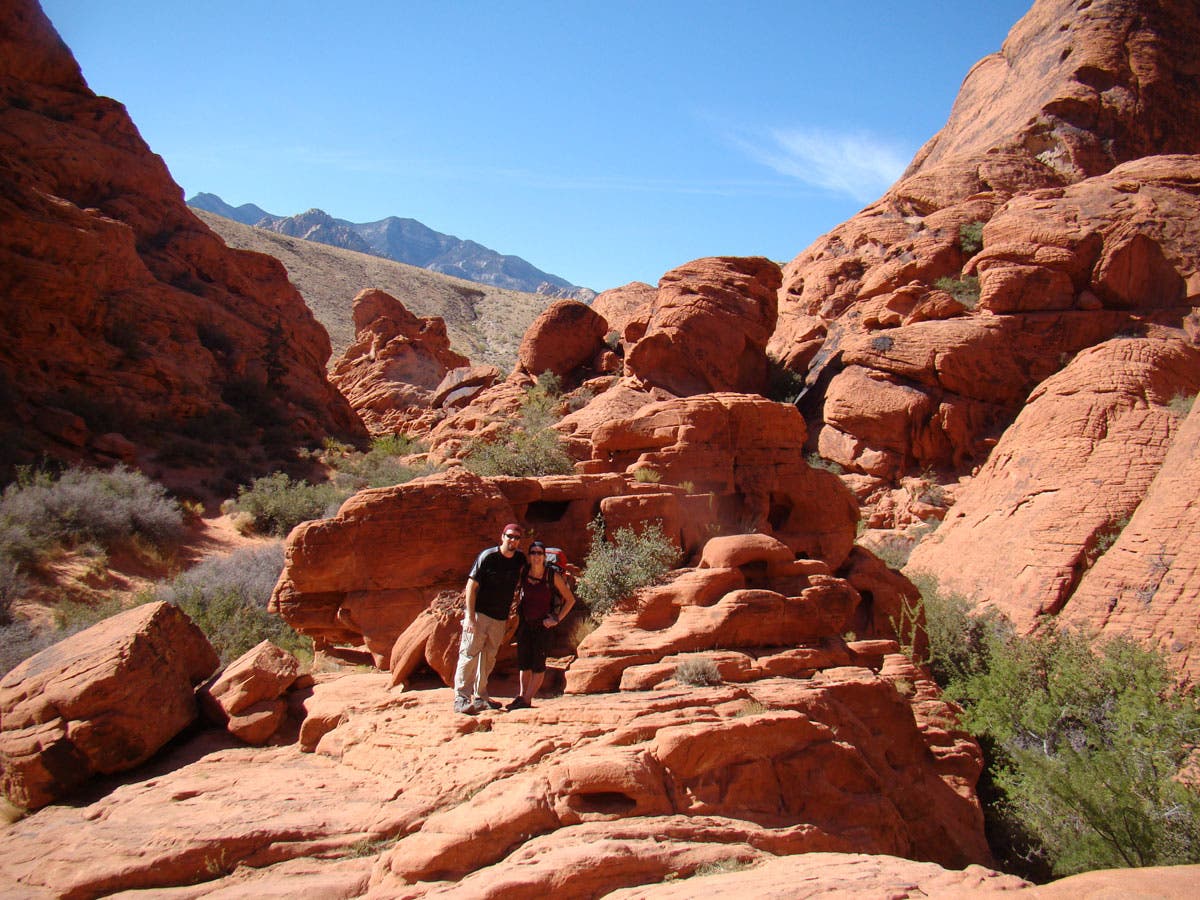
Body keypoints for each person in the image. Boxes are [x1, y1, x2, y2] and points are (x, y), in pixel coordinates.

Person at [454, 523, 526, 714]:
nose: (513, 540)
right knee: (469, 654)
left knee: (489, 657)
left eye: (517, 538)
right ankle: (461, 698)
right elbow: (471, 587)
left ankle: (480, 697)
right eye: (510, 536)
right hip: (479, 615)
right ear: (502, 536)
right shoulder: (488, 557)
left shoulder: (519, 559)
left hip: (500, 618)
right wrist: (470, 617)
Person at [507, 540, 575, 710]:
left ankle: (527, 699)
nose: (536, 556)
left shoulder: (552, 575)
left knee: (538, 664)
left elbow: (570, 600)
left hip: (543, 625)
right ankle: (522, 696)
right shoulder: (524, 573)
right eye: (533, 553)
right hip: (525, 623)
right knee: (524, 663)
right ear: (529, 556)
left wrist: (556, 619)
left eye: (539, 553)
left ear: (544, 556)